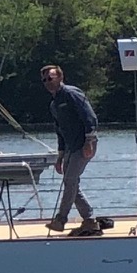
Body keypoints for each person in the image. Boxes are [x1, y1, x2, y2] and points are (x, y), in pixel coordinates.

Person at [41, 63, 105, 235]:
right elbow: (59, 131)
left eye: (51, 78)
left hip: (84, 145)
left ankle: (61, 219)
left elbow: (90, 116)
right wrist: (60, 156)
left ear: (60, 78)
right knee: (71, 183)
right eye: (45, 80)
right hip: (70, 148)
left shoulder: (71, 93)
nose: (48, 82)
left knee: (70, 181)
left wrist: (89, 141)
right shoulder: (54, 105)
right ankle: (90, 220)